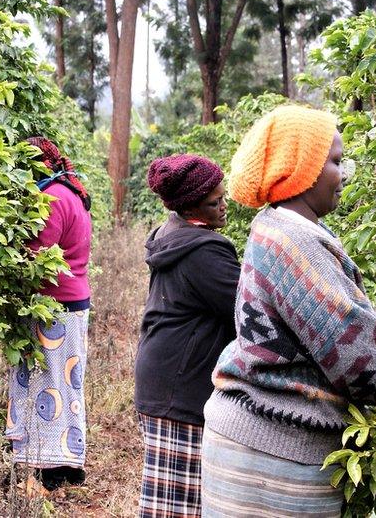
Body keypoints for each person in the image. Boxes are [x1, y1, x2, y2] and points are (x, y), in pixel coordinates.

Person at [201, 105, 376, 517]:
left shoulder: (273, 226)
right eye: (334, 161)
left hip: (242, 435)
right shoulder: (299, 245)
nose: (342, 174)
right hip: (280, 450)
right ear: (302, 170)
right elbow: (358, 361)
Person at [134, 154, 241, 518]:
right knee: (178, 508)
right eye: (215, 202)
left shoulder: (172, 233)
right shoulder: (206, 251)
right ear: (190, 206)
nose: (224, 206)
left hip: (163, 380)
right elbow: (248, 309)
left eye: (223, 197)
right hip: (179, 390)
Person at [5, 136, 93, 490]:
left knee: (48, 384)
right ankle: (61, 462)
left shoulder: (53, 198)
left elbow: (37, 257)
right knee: (62, 381)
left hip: (54, 307)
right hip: (68, 304)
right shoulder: (69, 193)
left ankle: (51, 470)